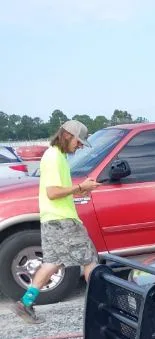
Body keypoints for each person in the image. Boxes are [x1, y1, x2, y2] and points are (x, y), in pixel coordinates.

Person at [14, 120, 100, 324]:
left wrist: (79, 191)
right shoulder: (54, 158)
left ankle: (25, 302)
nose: (79, 146)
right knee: (90, 259)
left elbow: (55, 192)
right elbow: (52, 193)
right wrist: (81, 188)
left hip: (51, 219)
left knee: (52, 263)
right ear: (68, 135)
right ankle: (99, 308)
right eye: (78, 141)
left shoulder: (54, 155)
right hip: (63, 221)